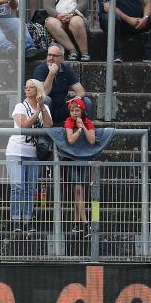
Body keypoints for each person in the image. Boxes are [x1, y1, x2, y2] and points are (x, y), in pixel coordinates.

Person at [5, 79, 52, 231]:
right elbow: (23, 125)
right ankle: (16, 220)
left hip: (33, 152)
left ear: (38, 90)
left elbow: (48, 125)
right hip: (16, 151)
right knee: (17, 186)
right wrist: (36, 112)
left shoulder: (44, 107)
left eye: (32, 87)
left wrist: (42, 108)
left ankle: (28, 219)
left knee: (30, 187)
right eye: (26, 87)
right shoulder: (20, 106)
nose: (28, 90)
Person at [33, 44, 92, 124]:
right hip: (47, 108)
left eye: (54, 56)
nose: (51, 58)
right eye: (49, 55)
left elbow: (81, 91)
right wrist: (51, 73)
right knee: (47, 99)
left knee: (86, 101)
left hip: (63, 107)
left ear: (62, 58)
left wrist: (76, 99)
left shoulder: (67, 69)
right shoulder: (40, 70)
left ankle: (85, 128)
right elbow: (44, 93)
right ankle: (44, 131)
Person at [64, 97, 94, 233]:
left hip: (84, 159)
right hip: (71, 159)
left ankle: (76, 223)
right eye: (72, 110)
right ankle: (86, 222)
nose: (74, 113)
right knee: (77, 189)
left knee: (80, 191)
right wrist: (79, 130)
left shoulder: (88, 122)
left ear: (82, 111)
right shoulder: (69, 122)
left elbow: (92, 140)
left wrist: (84, 127)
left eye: (77, 110)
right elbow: (70, 140)